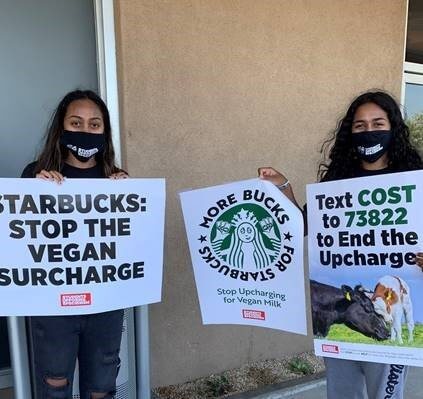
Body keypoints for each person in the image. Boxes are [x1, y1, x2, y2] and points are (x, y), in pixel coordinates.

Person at [258, 91, 423, 399]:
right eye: (359, 126)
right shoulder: (338, 182)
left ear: (394, 128)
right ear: (351, 132)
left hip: (388, 325)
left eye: (377, 122)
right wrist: (283, 186)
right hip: (347, 326)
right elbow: (303, 225)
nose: (368, 131)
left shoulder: (414, 183)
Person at [22, 89, 128, 399]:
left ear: (104, 131)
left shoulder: (116, 180)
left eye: (94, 124)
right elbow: (24, 240)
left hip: (105, 304)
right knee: (54, 384)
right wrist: (34, 192)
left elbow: (128, 243)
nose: (85, 130)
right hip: (53, 306)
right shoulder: (34, 176)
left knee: (102, 387)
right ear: (61, 127)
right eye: (76, 123)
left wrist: (127, 193)